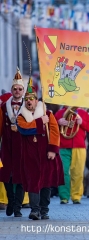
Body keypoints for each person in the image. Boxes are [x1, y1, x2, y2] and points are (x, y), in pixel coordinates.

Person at [17, 79, 64, 220]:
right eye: (26, 99)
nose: (29, 102)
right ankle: (35, 210)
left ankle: (44, 210)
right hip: (30, 156)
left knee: (46, 182)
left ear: (37, 101)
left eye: (31, 99)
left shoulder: (48, 114)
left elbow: (55, 132)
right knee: (33, 182)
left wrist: (52, 150)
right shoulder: (21, 117)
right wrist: (39, 122)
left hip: (45, 154)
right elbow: (24, 129)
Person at [55, 106, 89, 204]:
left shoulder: (82, 113)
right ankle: (64, 196)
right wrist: (58, 123)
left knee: (78, 173)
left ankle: (76, 196)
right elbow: (51, 128)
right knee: (63, 172)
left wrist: (82, 123)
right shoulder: (59, 113)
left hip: (79, 146)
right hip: (63, 146)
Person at [0, 68, 25, 217]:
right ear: (11, 90)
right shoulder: (3, 107)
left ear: (23, 91)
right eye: (15, 89)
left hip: (22, 146)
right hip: (7, 146)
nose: (17, 91)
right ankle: (10, 199)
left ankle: (17, 207)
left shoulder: (29, 106)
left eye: (20, 89)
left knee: (21, 176)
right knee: (5, 175)